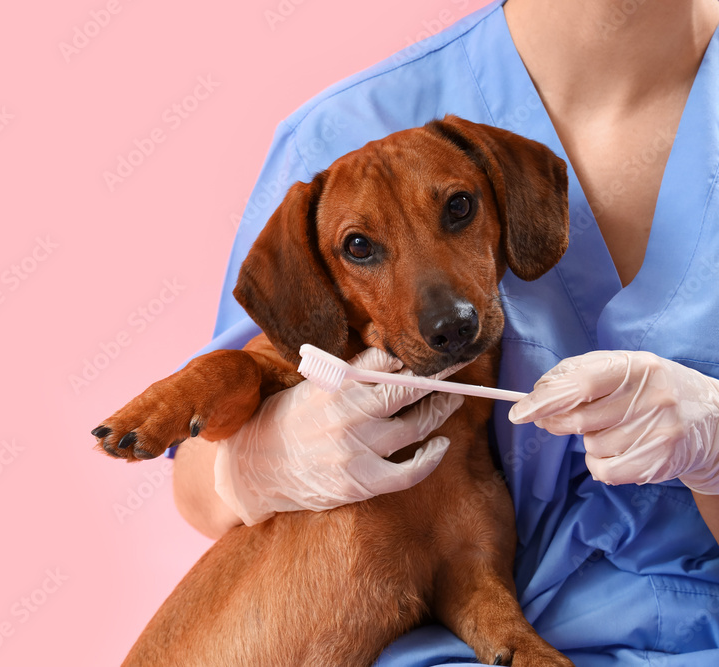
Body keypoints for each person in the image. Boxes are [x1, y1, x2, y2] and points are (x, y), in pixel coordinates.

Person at [167, 0, 719, 663]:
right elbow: (197, 468)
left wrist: (713, 447)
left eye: (458, 209)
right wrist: (257, 467)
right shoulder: (345, 132)